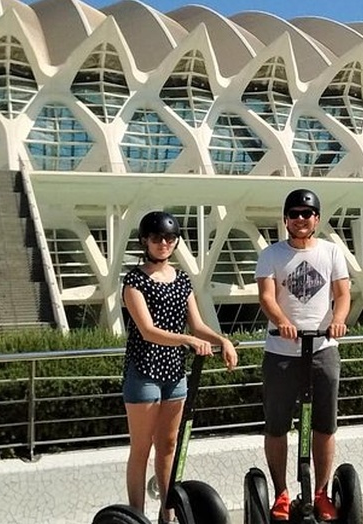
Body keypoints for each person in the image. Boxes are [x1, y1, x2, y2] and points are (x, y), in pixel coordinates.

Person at [121, 210, 238, 524]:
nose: (164, 243)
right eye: (157, 238)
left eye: (170, 238)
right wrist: (186, 339)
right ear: (145, 241)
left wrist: (221, 340)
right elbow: (147, 330)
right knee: (142, 448)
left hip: (174, 373)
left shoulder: (182, 279)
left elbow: (197, 323)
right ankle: (137, 516)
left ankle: (167, 512)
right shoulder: (134, 281)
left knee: (169, 445)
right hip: (144, 371)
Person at [254, 188, 351, 522]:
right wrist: (281, 321)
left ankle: (321, 492)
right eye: (294, 214)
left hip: (323, 349)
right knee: (277, 426)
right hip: (282, 352)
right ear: (286, 219)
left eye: (306, 214)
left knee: (325, 426)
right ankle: (281, 492)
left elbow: (343, 293)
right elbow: (266, 296)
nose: (300, 219)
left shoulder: (332, 252)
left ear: (317, 219)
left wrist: (338, 321)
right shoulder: (271, 254)